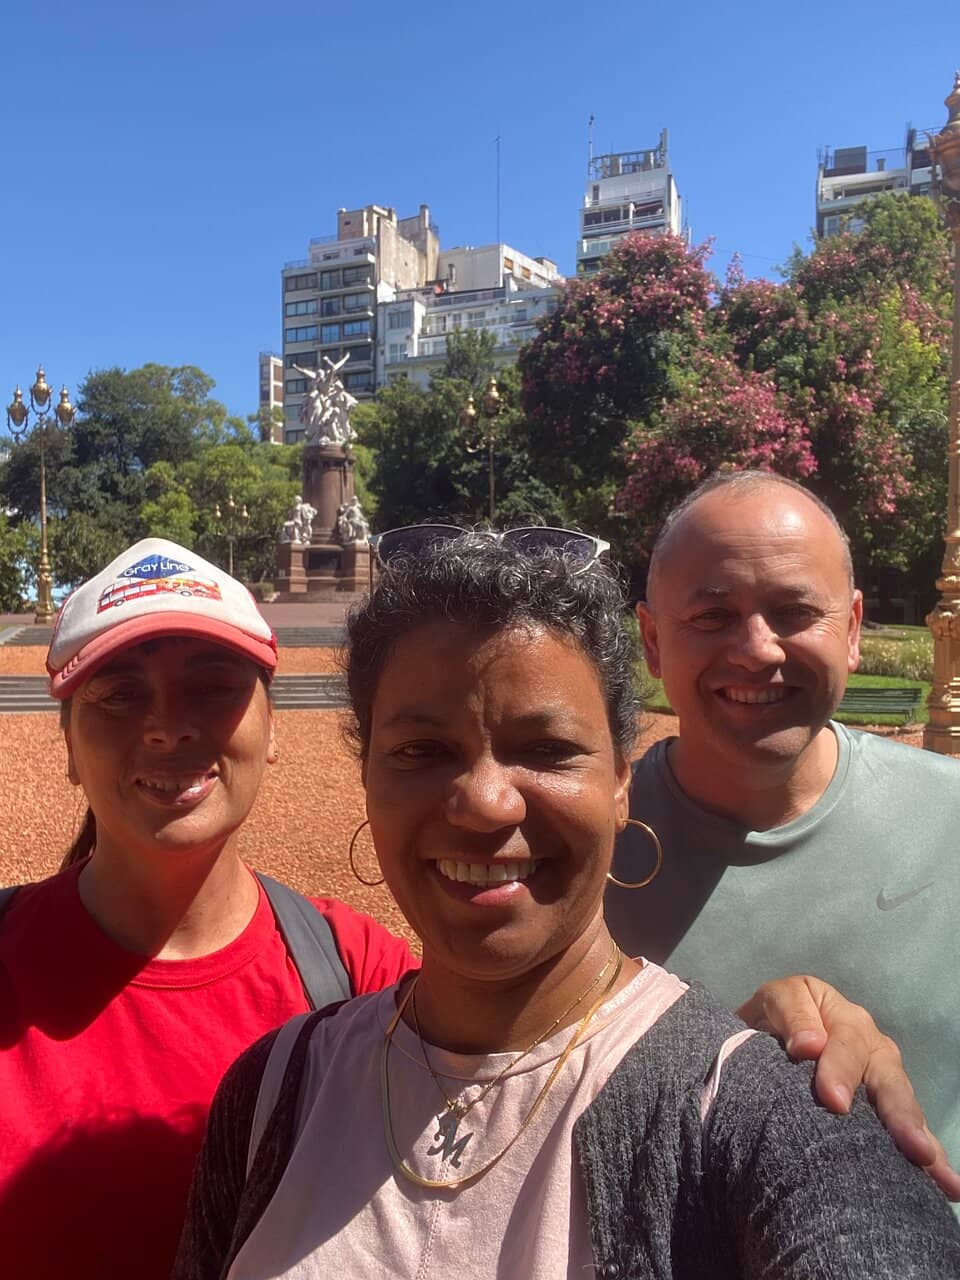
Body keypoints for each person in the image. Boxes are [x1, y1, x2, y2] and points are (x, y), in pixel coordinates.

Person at [176, 527, 960, 1279]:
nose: (484, 804)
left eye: (546, 750)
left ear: (623, 779)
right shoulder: (273, 1091)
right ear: (369, 779)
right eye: (422, 751)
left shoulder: (766, 1119)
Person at [0, 538, 414, 1280]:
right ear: (66, 745)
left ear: (274, 725)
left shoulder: (366, 978)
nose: (168, 726)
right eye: (119, 694)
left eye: (214, 685)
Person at [606, 469, 960, 1200]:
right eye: (712, 616)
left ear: (853, 629)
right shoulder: (580, 856)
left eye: (795, 611)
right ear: (650, 639)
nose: (757, 650)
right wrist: (723, 1065)